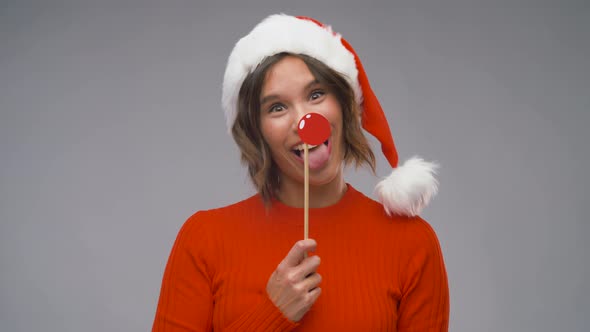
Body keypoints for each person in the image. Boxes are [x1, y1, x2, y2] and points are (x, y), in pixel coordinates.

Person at [152, 14, 449, 331]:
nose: (304, 121)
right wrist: (272, 314)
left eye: (316, 94)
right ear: (257, 132)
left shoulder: (412, 244)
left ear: (345, 104)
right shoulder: (204, 240)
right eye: (277, 107)